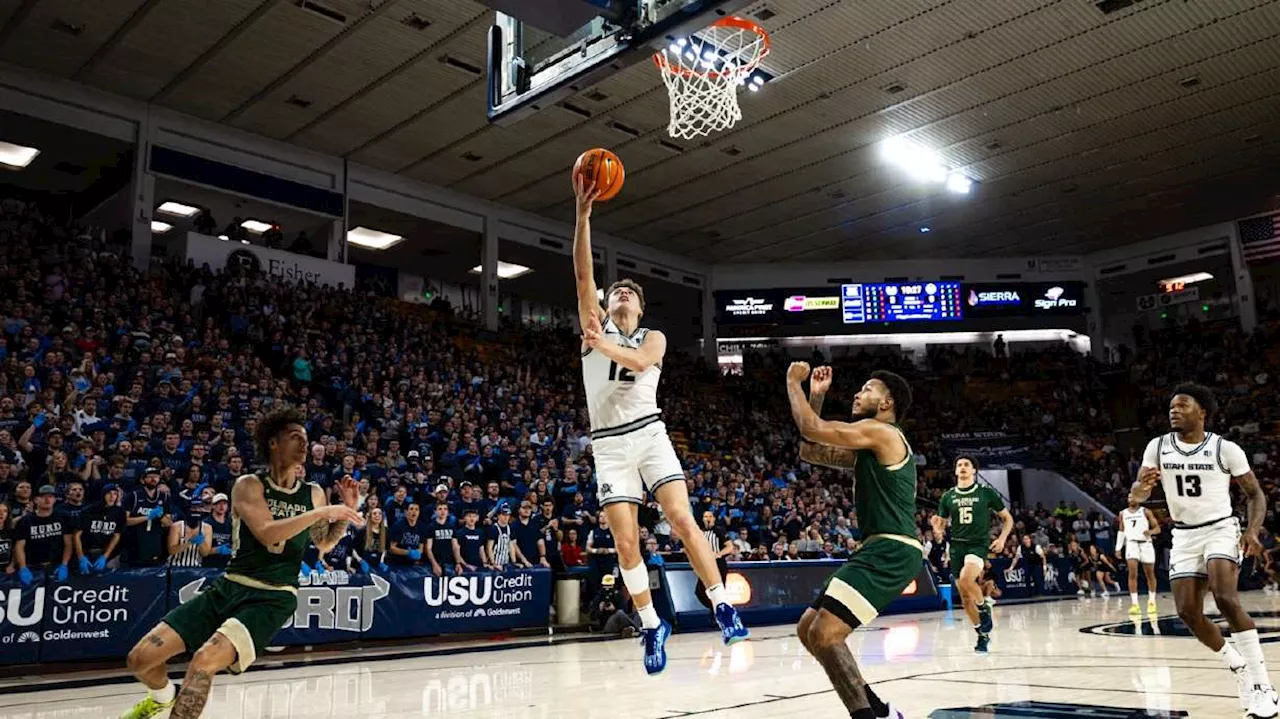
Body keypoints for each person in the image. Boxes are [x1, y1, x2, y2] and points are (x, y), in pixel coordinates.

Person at [571, 176, 747, 674]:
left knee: (683, 521)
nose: (622, 293)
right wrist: (584, 217)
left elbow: (644, 361)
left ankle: (722, 605)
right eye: (617, 291)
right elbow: (584, 274)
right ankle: (651, 624)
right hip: (608, 445)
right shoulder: (595, 322)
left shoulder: (654, 336)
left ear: (640, 308)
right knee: (626, 543)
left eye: (631, 292)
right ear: (607, 305)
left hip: (649, 434)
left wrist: (601, 345)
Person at [119, 408, 363, 719]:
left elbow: (324, 543)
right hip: (230, 585)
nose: (304, 444)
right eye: (295, 438)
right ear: (273, 443)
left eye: (306, 438)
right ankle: (164, 696)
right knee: (140, 659)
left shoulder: (313, 493)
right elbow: (267, 534)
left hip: (273, 596)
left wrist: (344, 513)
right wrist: (322, 513)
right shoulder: (248, 485)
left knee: (205, 660)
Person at [1132, 383, 1276, 717]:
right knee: (1187, 612)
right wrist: (1138, 493)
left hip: (1220, 528)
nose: (1174, 410)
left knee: (1225, 597)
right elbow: (1138, 489)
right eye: (1171, 406)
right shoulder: (1157, 447)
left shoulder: (1225, 449)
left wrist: (1252, 531)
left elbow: (1255, 495)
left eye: (1182, 405)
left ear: (1202, 413)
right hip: (1183, 535)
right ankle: (1237, 665)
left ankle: (1262, 685)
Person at [787, 363, 915, 719]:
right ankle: (880, 711)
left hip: (893, 547)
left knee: (825, 633)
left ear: (887, 402)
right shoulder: (870, 443)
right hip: (877, 547)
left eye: (867, 388)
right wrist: (816, 395)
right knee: (808, 631)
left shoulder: (882, 433)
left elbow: (810, 427)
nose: (858, 393)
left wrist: (792, 383)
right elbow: (810, 450)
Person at [931, 455, 1012, 653]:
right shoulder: (948, 496)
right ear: (956, 471)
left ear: (974, 471)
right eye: (959, 465)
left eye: (967, 464)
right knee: (965, 598)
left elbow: (1007, 518)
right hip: (957, 547)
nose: (963, 467)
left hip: (978, 544)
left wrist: (1001, 539)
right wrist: (937, 529)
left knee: (967, 580)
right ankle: (982, 636)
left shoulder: (985, 493)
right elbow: (940, 529)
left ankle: (984, 608)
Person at [13, 484, 73, 585]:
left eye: (50, 496)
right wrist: (23, 568)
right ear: (36, 500)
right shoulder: (25, 521)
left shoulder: (63, 517)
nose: (47, 500)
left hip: (56, 566)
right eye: (43, 496)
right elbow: (19, 546)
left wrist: (64, 564)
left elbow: (68, 543)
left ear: (54, 500)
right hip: (33, 567)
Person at [1116, 493, 1161, 616]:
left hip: (1146, 544)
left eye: (1133, 497)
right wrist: (1118, 548)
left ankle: (1152, 601)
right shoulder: (1123, 513)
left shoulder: (1146, 511)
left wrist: (1150, 531)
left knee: (1150, 574)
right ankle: (1134, 604)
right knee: (1132, 573)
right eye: (1129, 497)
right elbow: (1121, 530)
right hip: (1131, 544)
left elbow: (1158, 528)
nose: (1131, 499)